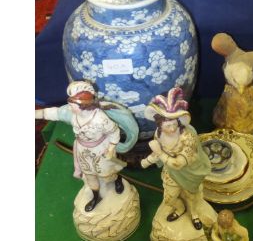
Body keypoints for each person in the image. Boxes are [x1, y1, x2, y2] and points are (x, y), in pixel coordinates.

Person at [35, 81, 137, 212]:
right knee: (89, 175)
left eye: (72, 104)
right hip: (83, 150)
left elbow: (114, 132)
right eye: (70, 103)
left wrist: (111, 149)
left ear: (83, 105)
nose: (69, 107)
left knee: (107, 174)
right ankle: (96, 197)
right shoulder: (72, 114)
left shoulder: (100, 119)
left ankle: (117, 179)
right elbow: (51, 113)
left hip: (100, 149)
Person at [141, 87, 211, 230]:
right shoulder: (158, 134)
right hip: (170, 173)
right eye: (167, 126)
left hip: (189, 172)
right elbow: (157, 152)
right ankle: (179, 209)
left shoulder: (187, 137)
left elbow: (178, 163)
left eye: (174, 124)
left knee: (192, 197)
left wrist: (159, 153)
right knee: (169, 199)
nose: (172, 129)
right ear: (160, 125)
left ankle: (195, 214)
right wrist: (147, 161)